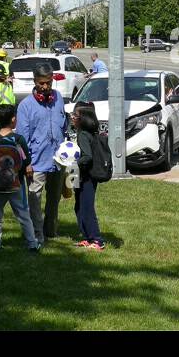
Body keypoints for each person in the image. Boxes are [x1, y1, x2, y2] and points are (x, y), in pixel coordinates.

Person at [16, 62, 69, 245]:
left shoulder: (59, 98)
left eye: (48, 83)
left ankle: (51, 231)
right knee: (34, 200)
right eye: (41, 83)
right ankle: (36, 235)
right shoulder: (25, 106)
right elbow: (21, 139)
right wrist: (26, 163)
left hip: (57, 160)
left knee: (54, 199)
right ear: (35, 81)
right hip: (35, 162)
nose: (45, 87)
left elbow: (63, 125)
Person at [0, 104, 39, 252]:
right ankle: (32, 243)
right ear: (13, 119)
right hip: (16, 183)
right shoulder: (18, 139)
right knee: (23, 214)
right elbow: (26, 161)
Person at [71, 102, 105, 250]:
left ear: (82, 119)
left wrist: (73, 163)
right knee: (78, 206)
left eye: (75, 116)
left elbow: (87, 157)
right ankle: (87, 237)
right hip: (82, 175)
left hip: (86, 176)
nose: (72, 118)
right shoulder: (88, 132)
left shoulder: (83, 135)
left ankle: (97, 240)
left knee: (86, 207)